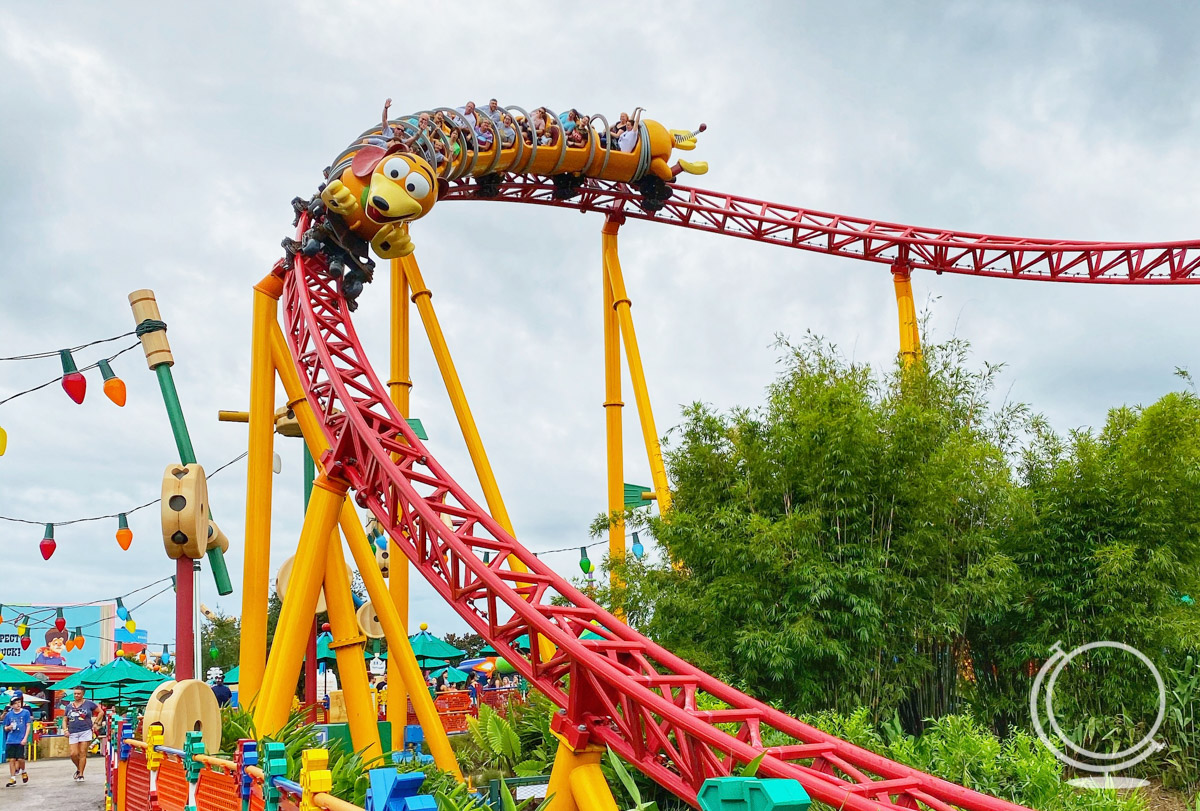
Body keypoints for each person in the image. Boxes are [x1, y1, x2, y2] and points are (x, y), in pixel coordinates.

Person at [62, 686, 99, 782]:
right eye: (75, 693)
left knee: (82, 752)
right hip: (73, 731)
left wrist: (96, 723)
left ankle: (81, 774)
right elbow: (65, 719)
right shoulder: (69, 706)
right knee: (73, 754)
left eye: (78, 693)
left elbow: (101, 712)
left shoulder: (89, 703)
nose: (76, 695)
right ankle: (79, 768)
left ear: (83, 694)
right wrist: (65, 730)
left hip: (85, 730)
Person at [3, 692, 32, 787]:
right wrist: (8, 728)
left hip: (20, 739)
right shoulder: (9, 715)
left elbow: (28, 726)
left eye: (19, 702)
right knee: (11, 759)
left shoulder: (25, 713)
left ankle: (23, 771)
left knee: (20, 759)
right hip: (11, 739)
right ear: (11, 705)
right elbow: (5, 727)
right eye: (15, 703)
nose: (18, 704)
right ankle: (13, 778)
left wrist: (25, 738)